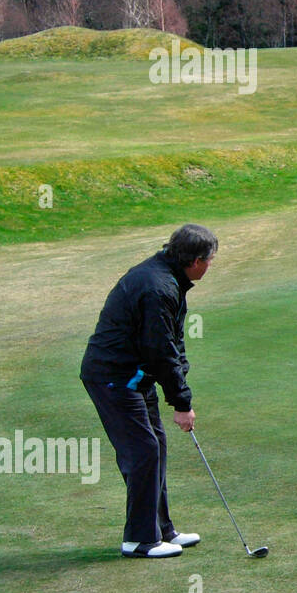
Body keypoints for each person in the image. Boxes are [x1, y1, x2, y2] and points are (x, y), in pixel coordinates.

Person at [80, 224, 218, 558]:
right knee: (143, 451)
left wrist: (180, 387)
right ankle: (139, 540)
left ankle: (161, 530)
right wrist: (181, 402)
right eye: (210, 259)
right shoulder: (157, 287)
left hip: (136, 376)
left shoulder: (170, 279)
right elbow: (160, 350)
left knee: (155, 446)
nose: (211, 266)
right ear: (196, 260)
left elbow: (173, 341)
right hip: (113, 376)